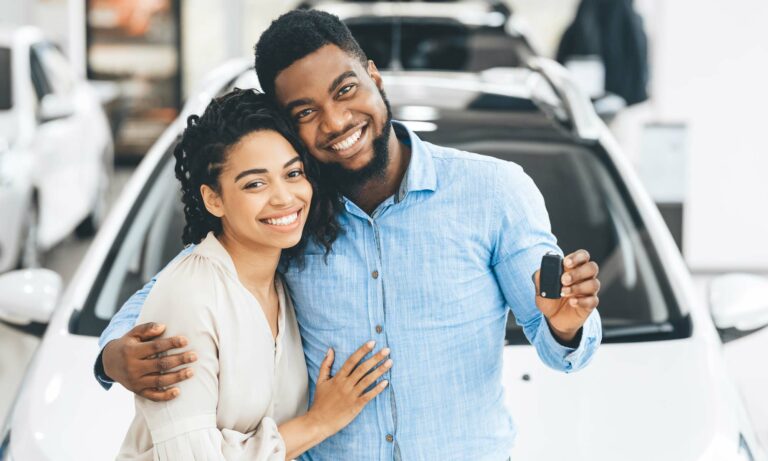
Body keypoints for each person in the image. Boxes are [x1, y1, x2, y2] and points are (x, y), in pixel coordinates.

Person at [97, 10, 603, 460]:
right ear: (290, 127)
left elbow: (559, 343)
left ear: (374, 78)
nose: (336, 121)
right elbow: (176, 289)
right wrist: (114, 355)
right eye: (306, 112)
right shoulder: (288, 216)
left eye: (345, 90)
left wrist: (565, 326)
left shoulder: (494, 190)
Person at [115, 89, 392, 460]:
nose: (284, 197)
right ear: (214, 199)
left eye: (293, 173)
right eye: (255, 183)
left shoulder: (284, 284)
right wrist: (319, 421)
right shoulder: (190, 296)